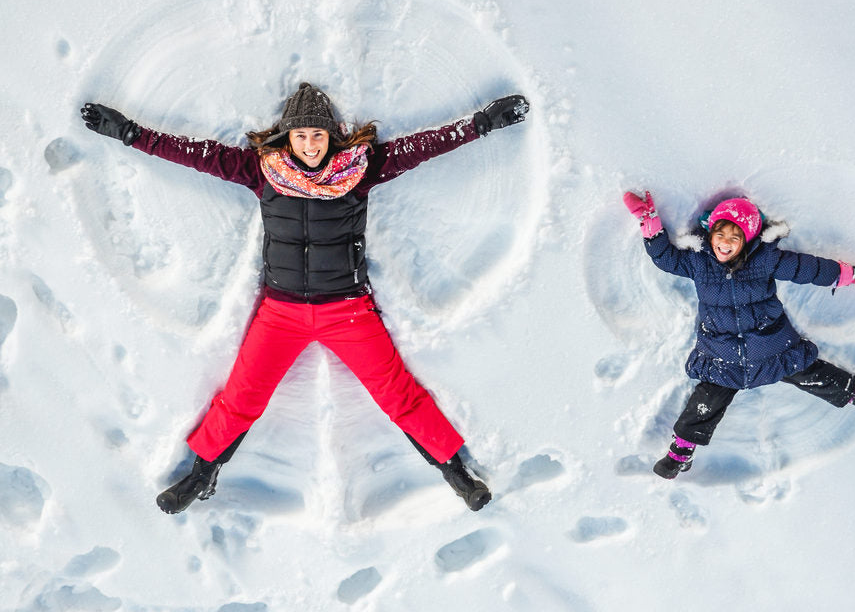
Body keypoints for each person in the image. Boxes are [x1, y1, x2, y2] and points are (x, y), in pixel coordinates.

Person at [81, 83, 529, 512]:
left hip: (349, 312)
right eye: (301, 136)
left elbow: (423, 146)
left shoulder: (359, 169)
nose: (310, 145)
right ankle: (202, 474)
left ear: (331, 136)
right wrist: (128, 132)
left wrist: (482, 123)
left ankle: (455, 472)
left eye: (317, 135)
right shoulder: (263, 170)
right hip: (281, 313)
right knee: (242, 396)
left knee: (398, 395)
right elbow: (193, 154)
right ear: (287, 137)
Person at [622, 191, 855, 479]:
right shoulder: (698, 263)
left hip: (771, 347)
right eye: (720, 234)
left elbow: (808, 269)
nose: (725, 242)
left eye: (735, 237)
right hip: (723, 354)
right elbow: (666, 258)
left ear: (747, 241)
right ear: (710, 233)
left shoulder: (764, 260)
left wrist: (852, 274)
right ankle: (680, 452)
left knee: (812, 373)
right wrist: (648, 221)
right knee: (706, 401)